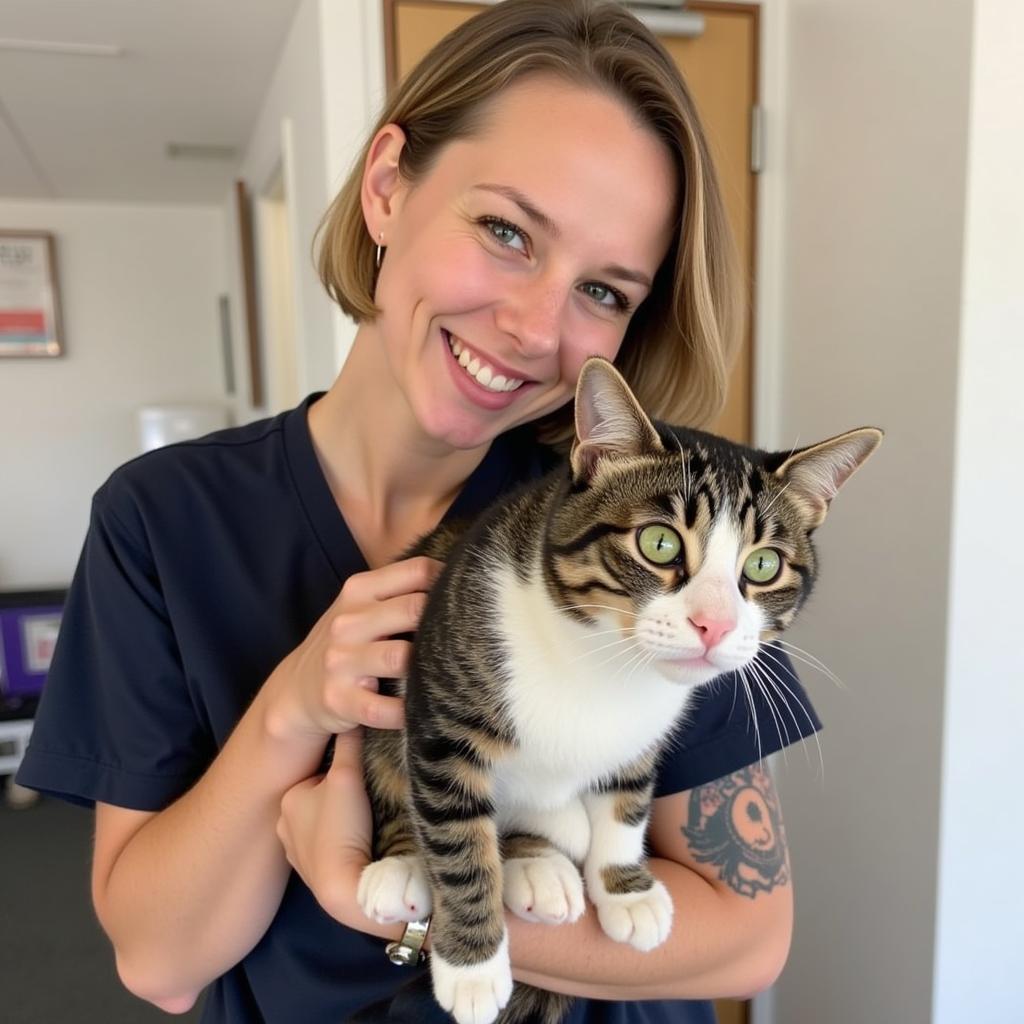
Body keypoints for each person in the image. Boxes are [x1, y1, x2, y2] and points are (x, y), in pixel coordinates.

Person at [17, 2, 820, 1022]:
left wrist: (394, 905)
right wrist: (294, 704)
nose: (536, 328)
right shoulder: (166, 522)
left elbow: (747, 935)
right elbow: (159, 960)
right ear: (389, 185)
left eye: (606, 292)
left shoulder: (649, 534)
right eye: (504, 230)